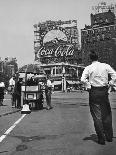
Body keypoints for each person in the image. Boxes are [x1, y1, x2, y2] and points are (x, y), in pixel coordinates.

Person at [81, 51, 116, 145]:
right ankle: (109, 137)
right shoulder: (105, 66)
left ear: (90, 58)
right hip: (104, 91)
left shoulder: (88, 68)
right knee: (107, 114)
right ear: (98, 57)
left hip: (94, 92)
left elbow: (82, 79)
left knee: (97, 116)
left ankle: (101, 138)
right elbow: (114, 75)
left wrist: (88, 86)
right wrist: (111, 83)